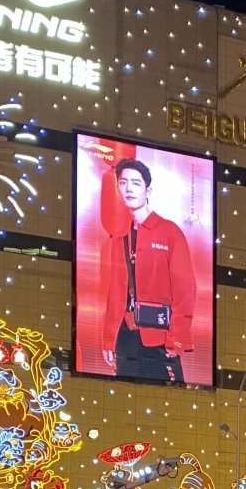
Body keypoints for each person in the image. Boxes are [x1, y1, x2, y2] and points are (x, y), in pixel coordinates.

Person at [100, 158, 196, 384]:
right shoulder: (118, 238)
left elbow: (186, 290)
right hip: (126, 337)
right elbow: (114, 294)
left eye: (136, 183)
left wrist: (177, 338)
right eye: (123, 183)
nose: (129, 189)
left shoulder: (170, 232)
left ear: (148, 189)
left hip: (161, 337)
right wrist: (109, 338)